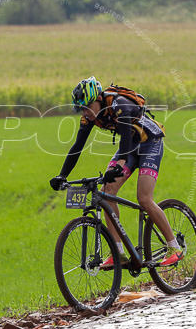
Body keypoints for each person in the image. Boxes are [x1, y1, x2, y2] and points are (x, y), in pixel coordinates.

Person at [49, 76, 183, 267]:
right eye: (82, 110)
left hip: (149, 143)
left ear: (98, 100)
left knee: (144, 198)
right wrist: (62, 175)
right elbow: (77, 146)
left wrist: (120, 164)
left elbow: (126, 136)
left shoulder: (119, 104)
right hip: (129, 146)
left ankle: (174, 247)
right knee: (106, 192)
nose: (86, 113)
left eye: (87, 107)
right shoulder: (89, 117)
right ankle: (118, 253)